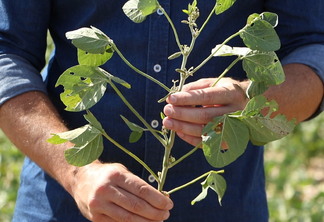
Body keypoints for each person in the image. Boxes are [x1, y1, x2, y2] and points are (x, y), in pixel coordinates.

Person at [0, 0, 323, 221]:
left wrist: (252, 100)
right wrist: (76, 172)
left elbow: (313, 45)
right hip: (64, 204)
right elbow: (6, 51)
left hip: (220, 208)